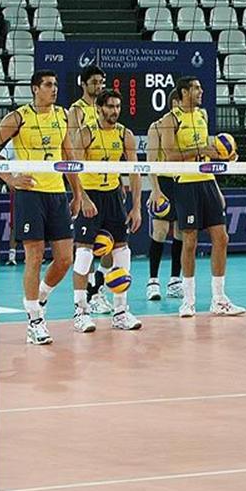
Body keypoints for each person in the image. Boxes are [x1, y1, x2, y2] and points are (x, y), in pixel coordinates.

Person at [0, 70, 86, 344]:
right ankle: (34, 321)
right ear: (35, 88)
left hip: (57, 193)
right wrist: (10, 178)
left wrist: (78, 193)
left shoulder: (62, 115)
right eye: (48, 85)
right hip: (30, 194)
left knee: (65, 259)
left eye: (56, 84)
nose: (54, 89)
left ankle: (41, 299)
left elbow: (68, 155)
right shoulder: (19, 117)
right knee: (34, 257)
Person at [160, 76, 245, 318]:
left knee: (222, 238)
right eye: (196, 88)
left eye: (200, 87)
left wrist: (223, 155)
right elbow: (170, 155)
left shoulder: (202, 115)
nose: (201, 91)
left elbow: (208, 151)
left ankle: (219, 299)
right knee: (190, 241)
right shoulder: (171, 119)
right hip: (186, 183)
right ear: (184, 92)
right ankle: (188, 301)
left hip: (207, 181)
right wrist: (201, 150)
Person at [72, 89, 142, 332]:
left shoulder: (125, 134)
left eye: (118, 107)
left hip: (113, 197)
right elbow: (73, 170)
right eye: (110, 106)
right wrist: (83, 198)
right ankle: (81, 311)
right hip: (90, 195)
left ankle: (120, 312)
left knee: (122, 252)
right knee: (84, 254)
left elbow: (135, 171)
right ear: (99, 108)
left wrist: (136, 207)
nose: (115, 111)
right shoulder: (86, 133)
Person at [67, 64, 116, 316]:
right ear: (83, 84)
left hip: (109, 185)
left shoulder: (107, 107)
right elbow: (73, 151)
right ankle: (89, 294)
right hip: (87, 185)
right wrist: (80, 193)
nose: (98, 86)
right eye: (94, 82)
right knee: (86, 246)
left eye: (101, 82)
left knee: (111, 245)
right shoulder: (76, 111)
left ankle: (98, 289)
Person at [145, 90, 183, 301]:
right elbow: (150, 160)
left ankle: (175, 281)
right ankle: (153, 281)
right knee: (160, 231)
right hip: (163, 182)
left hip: (183, 181)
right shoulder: (157, 126)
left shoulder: (189, 125)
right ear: (175, 102)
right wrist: (155, 189)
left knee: (180, 232)